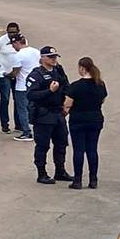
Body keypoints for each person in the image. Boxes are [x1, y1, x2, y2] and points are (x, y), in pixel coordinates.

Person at [26, 46, 72, 184]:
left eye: (55, 57)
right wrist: (49, 91)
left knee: (61, 143)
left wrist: (66, 104)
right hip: (43, 115)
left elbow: (66, 87)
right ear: (42, 58)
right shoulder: (36, 75)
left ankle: (60, 171)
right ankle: (42, 173)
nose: (54, 59)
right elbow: (31, 95)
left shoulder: (58, 71)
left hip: (58, 113)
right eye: (50, 57)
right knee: (42, 145)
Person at [65, 57, 108, 190]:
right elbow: (102, 100)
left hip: (78, 120)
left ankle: (77, 180)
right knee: (92, 149)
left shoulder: (75, 86)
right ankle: (93, 179)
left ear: (82, 68)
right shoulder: (100, 84)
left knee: (78, 150)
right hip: (95, 119)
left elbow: (67, 105)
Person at [0, 22, 22, 135]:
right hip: (3, 74)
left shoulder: (22, 40)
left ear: (18, 31)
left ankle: (19, 124)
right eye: (10, 32)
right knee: (5, 99)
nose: (12, 34)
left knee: (18, 99)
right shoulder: (0, 41)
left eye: (14, 32)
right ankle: (5, 125)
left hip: (17, 74)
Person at [10, 36, 39, 142]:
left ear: (17, 43)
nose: (13, 47)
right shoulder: (36, 52)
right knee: (34, 108)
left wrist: (8, 75)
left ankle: (26, 132)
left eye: (13, 44)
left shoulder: (18, 55)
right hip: (36, 85)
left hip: (22, 85)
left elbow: (15, 71)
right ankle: (37, 130)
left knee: (22, 110)